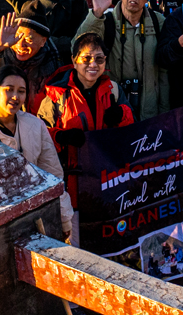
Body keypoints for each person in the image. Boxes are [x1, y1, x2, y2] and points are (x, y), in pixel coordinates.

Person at [39, 32, 135, 243]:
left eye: (99, 59)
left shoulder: (113, 91)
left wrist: (121, 115)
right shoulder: (57, 95)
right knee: (76, 240)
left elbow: (131, 131)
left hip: (108, 179)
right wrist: (61, 137)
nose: (93, 64)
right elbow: (40, 135)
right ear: (74, 60)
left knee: (109, 237)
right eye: (86, 58)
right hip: (72, 183)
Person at [0, 65, 74, 239]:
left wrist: (64, 219)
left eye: (21, 91)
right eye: (9, 89)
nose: (15, 97)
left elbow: (53, 176)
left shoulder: (35, 126)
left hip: (36, 218)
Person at [74, 0, 170, 120]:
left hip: (150, 113)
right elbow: (76, 48)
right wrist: (96, 15)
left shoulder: (158, 22)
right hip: (113, 110)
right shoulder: (106, 21)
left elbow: (164, 72)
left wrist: (165, 114)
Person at [0, 1, 60, 114]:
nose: (20, 45)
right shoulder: (0, 59)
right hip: (3, 124)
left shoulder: (53, 64)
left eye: (29, 40)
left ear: (43, 42)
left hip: (39, 126)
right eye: (17, 37)